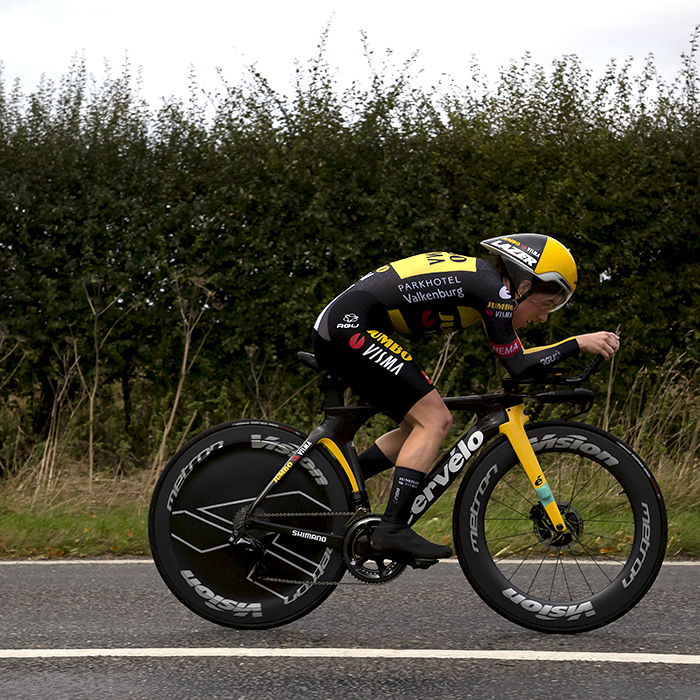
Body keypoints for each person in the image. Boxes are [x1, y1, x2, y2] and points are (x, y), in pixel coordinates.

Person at [311, 233, 620, 567]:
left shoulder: (487, 285)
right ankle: (392, 529)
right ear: (524, 285)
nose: (544, 318)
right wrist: (576, 343)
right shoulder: (495, 290)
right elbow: (518, 365)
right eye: (545, 305)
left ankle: (340, 481)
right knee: (436, 420)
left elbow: (520, 359)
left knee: (415, 428)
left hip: (342, 326)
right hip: (349, 327)